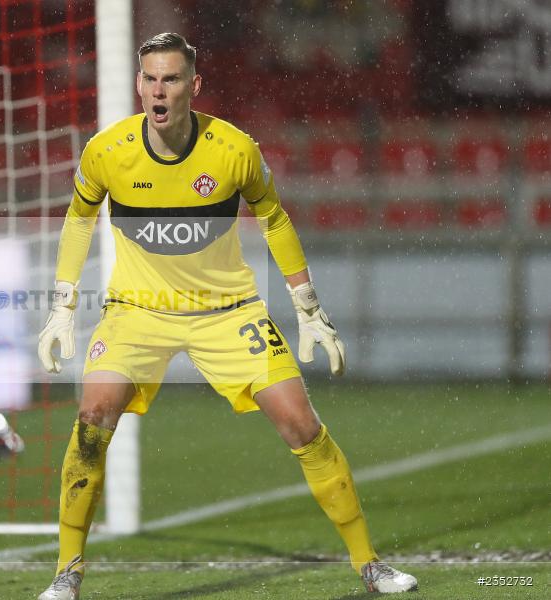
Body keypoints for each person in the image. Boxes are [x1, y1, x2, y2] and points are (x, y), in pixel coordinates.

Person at [36, 32, 418, 599]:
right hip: (138, 310)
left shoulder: (234, 149)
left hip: (227, 310)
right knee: (93, 414)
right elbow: (77, 218)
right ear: (138, 84)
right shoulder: (108, 151)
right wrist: (63, 304)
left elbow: (275, 217)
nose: (157, 91)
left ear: (194, 86)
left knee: (300, 423)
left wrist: (308, 308)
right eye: (149, 79)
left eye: (170, 79)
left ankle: (369, 564)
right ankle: (68, 571)